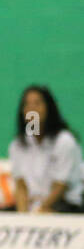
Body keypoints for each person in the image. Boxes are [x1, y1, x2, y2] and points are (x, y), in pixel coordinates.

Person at [9, 85, 83, 213]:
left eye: (37, 104)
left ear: (49, 109)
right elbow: (21, 186)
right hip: (33, 205)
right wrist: (22, 216)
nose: (32, 109)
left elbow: (60, 186)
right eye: (27, 104)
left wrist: (40, 211)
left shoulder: (64, 141)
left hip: (64, 204)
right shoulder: (18, 145)